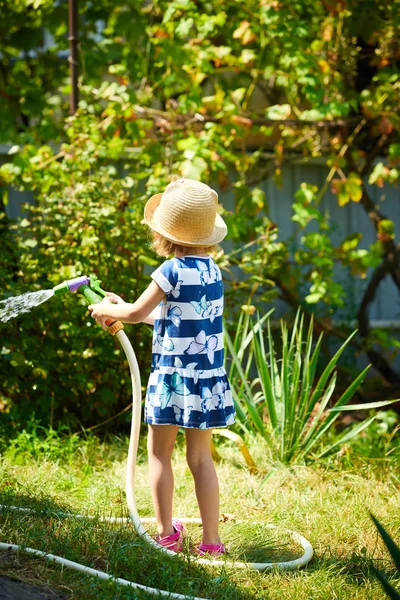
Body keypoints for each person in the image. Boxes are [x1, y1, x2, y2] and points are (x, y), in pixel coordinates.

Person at [88, 178, 235, 555]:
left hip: (172, 380)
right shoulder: (212, 272)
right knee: (201, 458)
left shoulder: (170, 269)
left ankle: (167, 534)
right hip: (203, 380)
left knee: (158, 455)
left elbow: (136, 313)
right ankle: (212, 542)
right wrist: (125, 307)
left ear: (164, 232)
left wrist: (108, 309)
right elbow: (183, 321)